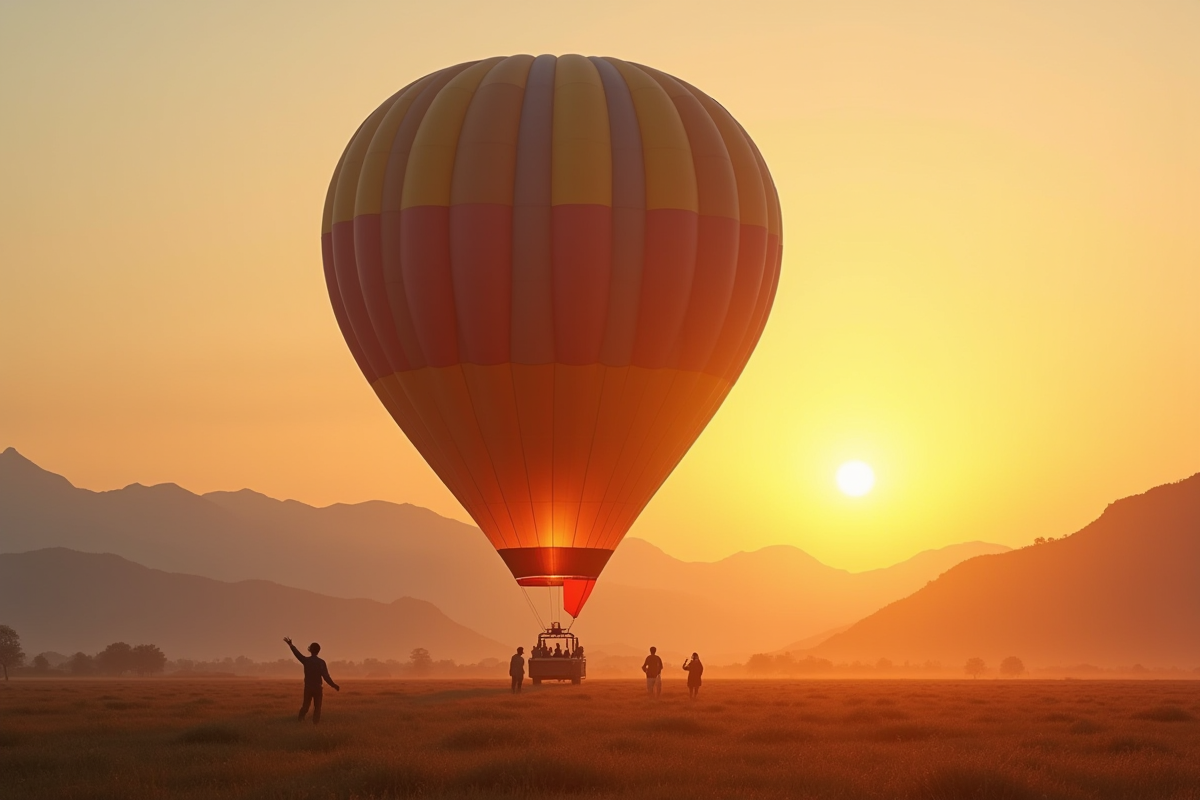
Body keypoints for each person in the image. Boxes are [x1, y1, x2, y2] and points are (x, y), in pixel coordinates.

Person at [284, 636, 339, 724]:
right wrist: (334, 685)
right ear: (319, 651)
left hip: (308, 688)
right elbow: (326, 677)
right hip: (318, 688)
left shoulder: (306, 661)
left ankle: (300, 721)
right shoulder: (321, 662)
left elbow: (297, 654)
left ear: (310, 650)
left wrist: (291, 645)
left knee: (305, 707)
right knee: (317, 708)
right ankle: (315, 725)